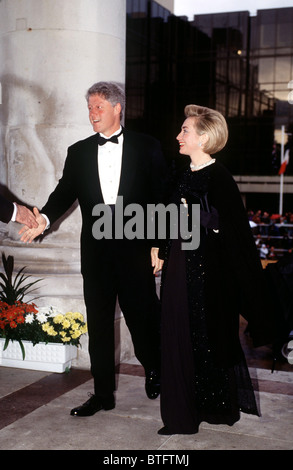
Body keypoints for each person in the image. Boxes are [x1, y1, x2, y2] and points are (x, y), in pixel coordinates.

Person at [19, 81, 166, 416]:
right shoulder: (79, 151)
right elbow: (62, 193)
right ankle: (102, 395)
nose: (92, 114)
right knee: (98, 325)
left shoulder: (148, 147)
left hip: (135, 249)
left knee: (142, 318)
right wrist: (44, 219)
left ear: (118, 108)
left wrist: (160, 244)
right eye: (89, 107)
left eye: (98, 106)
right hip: (97, 254)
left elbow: (161, 196)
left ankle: (155, 367)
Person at [158, 104, 274, 435]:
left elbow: (234, 231)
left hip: (211, 274)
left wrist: (201, 217)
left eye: (185, 130)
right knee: (177, 334)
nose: (178, 135)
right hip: (180, 267)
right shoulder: (180, 175)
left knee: (208, 338)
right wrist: (161, 249)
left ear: (204, 137)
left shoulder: (220, 177)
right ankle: (180, 414)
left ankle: (214, 407)